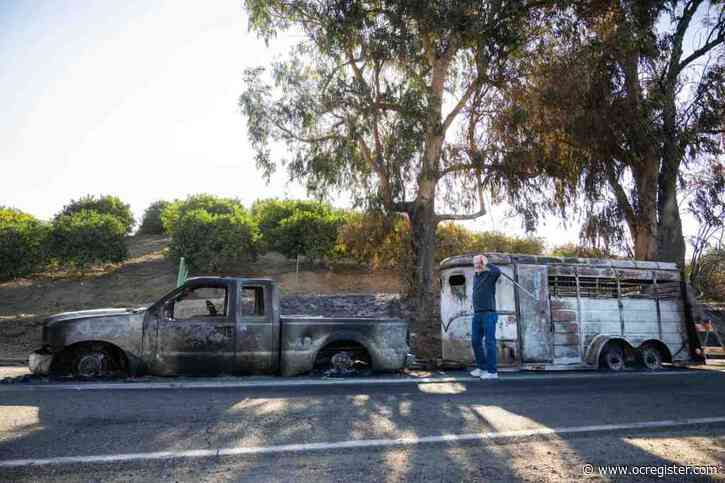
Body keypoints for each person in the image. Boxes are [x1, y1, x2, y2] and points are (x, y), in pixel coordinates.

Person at [470, 254, 501, 380]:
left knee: (489, 342)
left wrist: (487, 263)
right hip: (477, 314)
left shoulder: (490, 275)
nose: (477, 265)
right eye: (475, 263)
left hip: (489, 314)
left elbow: (497, 271)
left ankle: (492, 371)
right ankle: (481, 368)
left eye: (479, 263)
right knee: (475, 341)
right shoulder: (475, 277)